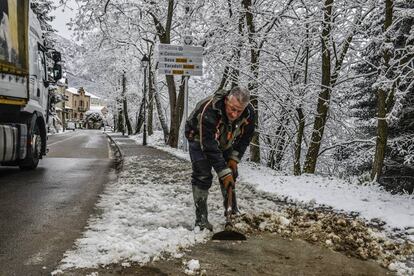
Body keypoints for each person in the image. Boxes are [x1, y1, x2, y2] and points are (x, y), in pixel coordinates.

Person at [185, 86, 256, 231]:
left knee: (231, 173)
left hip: (226, 138)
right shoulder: (210, 110)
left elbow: (245, 138)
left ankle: (232, 212)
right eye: (232, 108)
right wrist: (222, 171)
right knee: (203, 175)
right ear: (226, 100)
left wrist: (234, 159)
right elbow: (209, 145)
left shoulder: (249, 113)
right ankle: (201, 220)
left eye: (239, 110)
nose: (234, 113)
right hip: (199, 137)